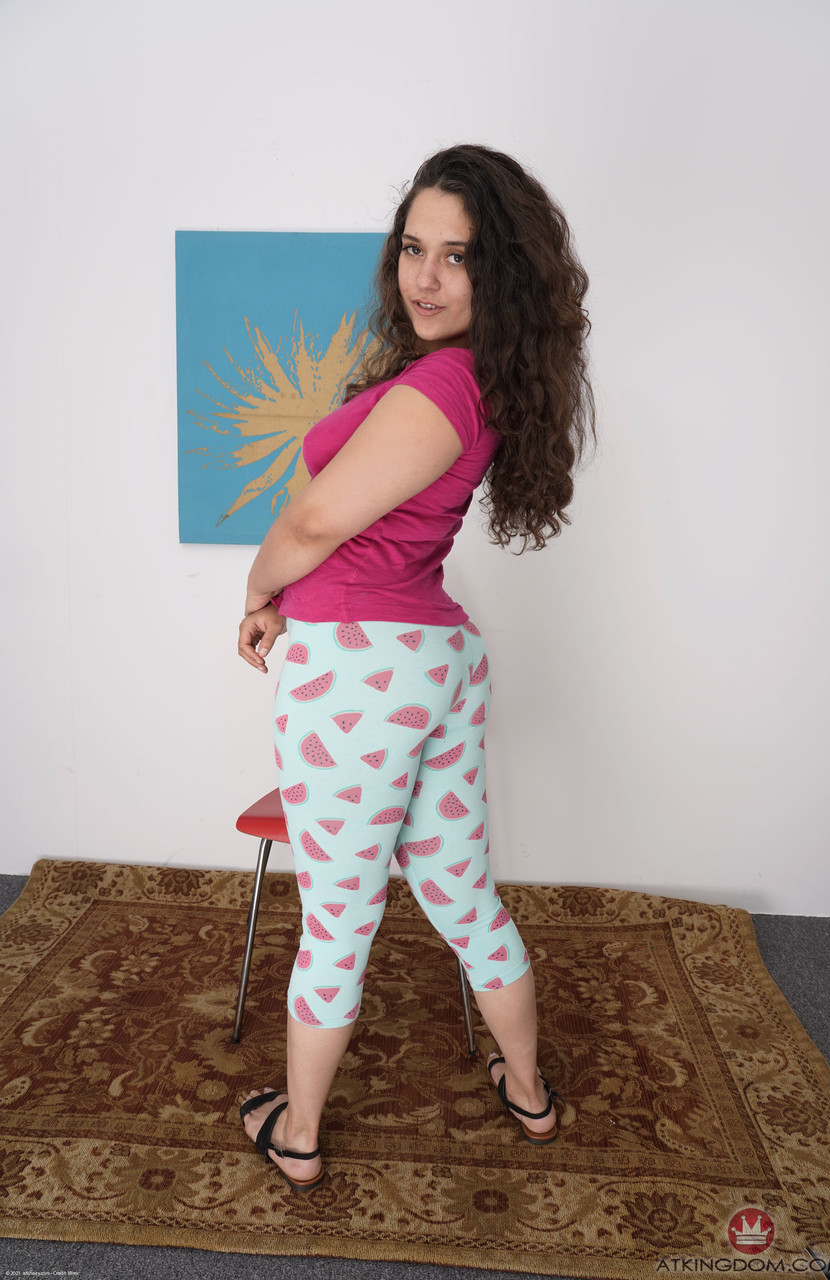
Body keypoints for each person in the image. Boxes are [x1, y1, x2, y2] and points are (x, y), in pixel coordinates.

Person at [235, 144, 595, 1192]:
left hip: (358, 669)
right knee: (462, 893)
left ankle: (299, 1134)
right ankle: (527, 1091)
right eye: (412, 249)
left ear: (500, 273)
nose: (425, 277)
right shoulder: (477, 380)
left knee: (339, 918)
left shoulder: (441, 384)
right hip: (431, 658)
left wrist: (257, 592)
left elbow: (313, 521)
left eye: (458, 256)